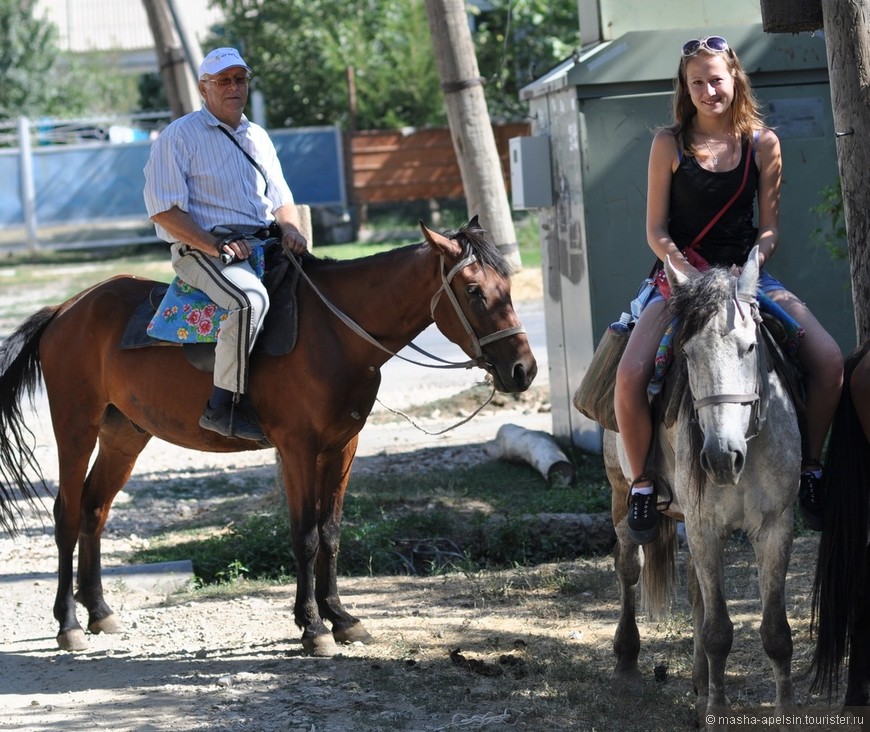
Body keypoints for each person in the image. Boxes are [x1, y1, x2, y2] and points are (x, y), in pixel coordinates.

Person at [614, 35, 844, 544]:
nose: (708, 90)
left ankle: (808, 469)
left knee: (828, 361)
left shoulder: (763, 143)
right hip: (681, 280)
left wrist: (752, 269)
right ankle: (644, 485)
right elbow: (656, 231)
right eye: (697, 82)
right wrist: (684, 276)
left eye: (716, 79)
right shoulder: (668, 144)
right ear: (685, 87)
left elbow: (769, 230)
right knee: (629, 376)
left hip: (746, 278)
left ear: (734, 78)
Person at [144, 47, 308, 442]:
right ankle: (224, 407)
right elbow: (164, 211)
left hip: (263, 242)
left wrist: (290, 228)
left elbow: (281, 197)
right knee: (249, 301)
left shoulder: (258, 136)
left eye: (240, 79)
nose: (234, 87)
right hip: (202, 249)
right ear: (204, 88)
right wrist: (215, 245)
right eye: (223, 80)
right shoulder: (179, 136)